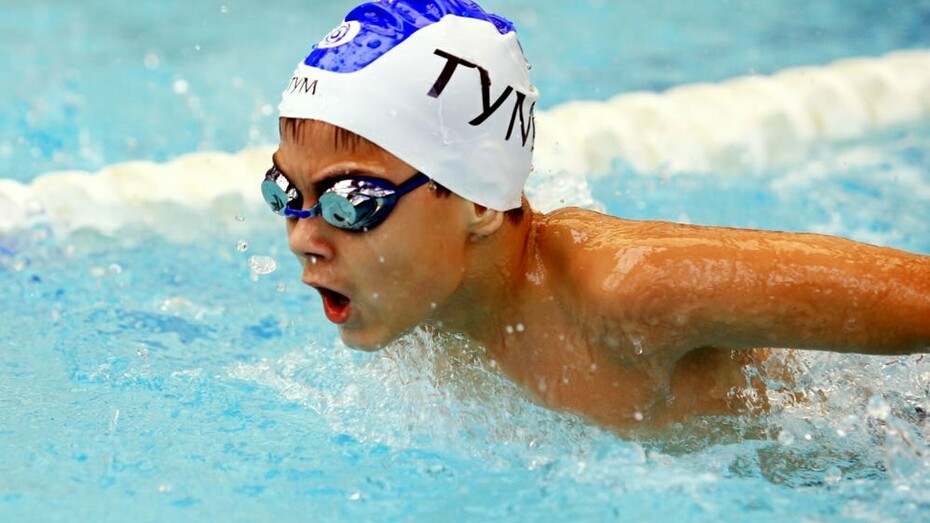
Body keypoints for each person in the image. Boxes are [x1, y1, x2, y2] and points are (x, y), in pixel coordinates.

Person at [262, 0, 930, 431]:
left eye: (353, 200)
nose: (303, 236)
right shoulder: (419, 312)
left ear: (477, 201)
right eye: (283, 190)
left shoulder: (628, 292)